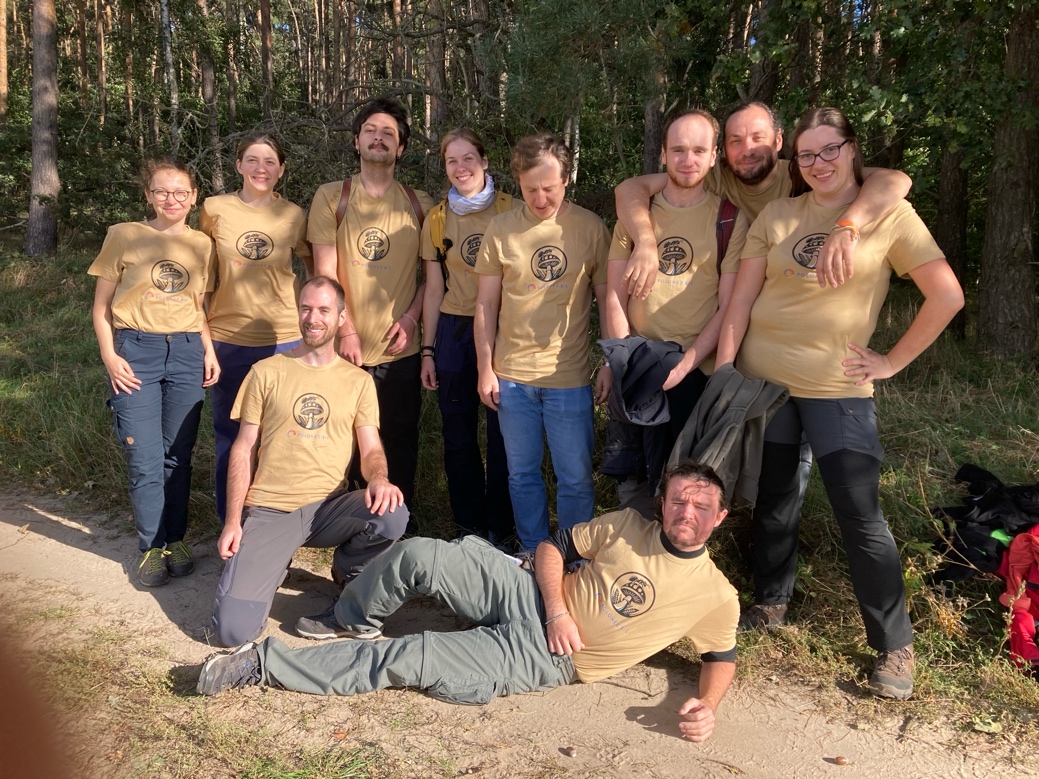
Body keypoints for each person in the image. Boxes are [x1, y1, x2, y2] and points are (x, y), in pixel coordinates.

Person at [197, 461, 739, 744]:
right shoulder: (628, 524)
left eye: (701, 506)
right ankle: (350, 618)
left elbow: (720, 659)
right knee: (421, 553)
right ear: (664, 502)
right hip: (534, 596)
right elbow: (554, 547)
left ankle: (261, 665)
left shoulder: (716, 595)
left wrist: (708, 709)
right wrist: (555, 606)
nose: (686, 512)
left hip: (550, 656)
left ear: (719, 517)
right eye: (678, 500)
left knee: (413, 657)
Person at [715, 107, 964, 699]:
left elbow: (947, 295)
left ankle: (894, 645)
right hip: (767, 385)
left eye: (831, 149)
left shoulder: (889, 216)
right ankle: (773, 603)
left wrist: (891, 361)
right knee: (774, 502)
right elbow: (742, 301)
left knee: (860, 514)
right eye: (807, 154)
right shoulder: (779, 214)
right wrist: (726, 370)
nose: (820, 163)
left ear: (853, 150)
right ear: (793, 161)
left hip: (837, 390)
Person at [210, 276, 409, 648]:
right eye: (305, 308)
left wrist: (379, 478)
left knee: (391, 512)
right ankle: (270, 559)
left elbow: (370, 449)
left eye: (323, 310)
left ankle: (349, 570)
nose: (312, 318)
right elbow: (242, 448)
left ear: (340, 318)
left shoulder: (358, 381)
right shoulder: (266, 372)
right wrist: (234, 521)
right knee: (231, 632)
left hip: (329, 507)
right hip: (272, 509)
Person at [615, 101, 914, 298]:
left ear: (779, 140)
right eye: (736, 141)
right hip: (727, 297)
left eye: (758, 138)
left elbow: (895, 179)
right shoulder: (713, 175)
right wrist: (645, 242)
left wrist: (848, 225)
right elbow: (629, 189)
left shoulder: (807, 171)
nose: (748, 149)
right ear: (722, 151)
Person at [602, 110, 749, 509]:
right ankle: (632, 555)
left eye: (699, 150)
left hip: (693, 370)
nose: (688, 160)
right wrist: (622, 357)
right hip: (636, 364)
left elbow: (729, 304)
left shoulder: (730, 219)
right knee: (633, 478)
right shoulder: (635, 217)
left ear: (715, 156)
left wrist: (686, 363)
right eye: (679, 150)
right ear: (663, 154)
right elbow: (614, 294)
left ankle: (676, 560)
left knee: (685, 480)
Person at [473, 134, 611, 555]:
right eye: (531, 188)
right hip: (512, 377)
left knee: (575, 477)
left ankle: (571, 556)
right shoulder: (501, 228)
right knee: (522, 475)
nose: (540, 197)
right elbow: (485, 305)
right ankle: (534, 553)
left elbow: (607, 300)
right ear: (517, 182)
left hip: (568, 378)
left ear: (566, 179)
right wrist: (485, 367)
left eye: (549, 188)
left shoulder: (589, 228)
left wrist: (609, 360)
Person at [89, 158, 219, 587]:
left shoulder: (201, 244)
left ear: (193, 197)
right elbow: (101, 306)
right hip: (136, 351)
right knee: (144, 458)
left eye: (181, 192)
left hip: (185, 352)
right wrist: (110, 354)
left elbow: (197, 307)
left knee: (178, 456)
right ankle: (151, 547)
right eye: (162, 191)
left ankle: (176, 540)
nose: (172, 199)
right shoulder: (124, 235)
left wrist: (208, 351)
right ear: (148, 195)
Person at [308, 97, 435, 508]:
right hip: (343, 349)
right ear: (356, 141)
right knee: (338, 442)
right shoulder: (332, 197)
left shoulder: (422, 205)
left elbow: (434, 277)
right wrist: (343, 330)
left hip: (399, 350)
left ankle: (395, 535)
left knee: (398, 443)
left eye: (389, 134)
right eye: (370, 131)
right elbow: (324, 275)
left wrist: (413, 318)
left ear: (400, 149)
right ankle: (341, 535)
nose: (378, 139)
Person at [200, 133, 311, 526]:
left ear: (281, 169)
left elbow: (313, 263)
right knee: (232, 436)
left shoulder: (295, 215)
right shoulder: (214, 209)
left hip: (283, 338)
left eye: (269, 162)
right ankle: (231, 526)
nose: (261, 168)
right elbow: (200, 270)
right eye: (252, 160)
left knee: (280, 438)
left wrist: (313, 315)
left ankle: (274, 525)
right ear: (238, 166)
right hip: (227, 337)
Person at [419, 129, 516, 544]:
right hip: (455, 332)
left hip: (505, 330)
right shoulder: (438, 218)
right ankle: (469, 527)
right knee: (458, 435)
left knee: (503, 436)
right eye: (452, 161)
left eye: (468, 159)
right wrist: (427, 350)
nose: (461, 168)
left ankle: (502, 529)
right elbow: (434, 288)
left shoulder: (514, 209)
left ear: (485, 161)